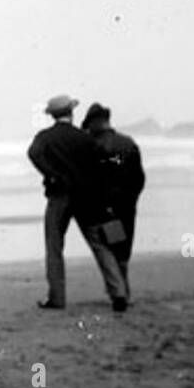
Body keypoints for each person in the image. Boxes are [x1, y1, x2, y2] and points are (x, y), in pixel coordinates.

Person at [27, 94, 127, 312]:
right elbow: (103, 159)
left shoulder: (45, 136)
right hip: (86, 196)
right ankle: (118, 293)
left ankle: (57, 298)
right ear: (71, 113)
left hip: (59, 195)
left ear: (52, 116)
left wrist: (51, 174)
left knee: (54, 245)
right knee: (99, 243)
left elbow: (33, 154)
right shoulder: (83, 137)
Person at [82, 103, 145, 300]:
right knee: (124, 246)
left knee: (113, 246)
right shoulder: (128, 142)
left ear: (94, 123)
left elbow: (91, 179)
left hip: (106, 204)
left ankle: (121, 290)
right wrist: (133, 197)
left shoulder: (93, 146)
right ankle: (123, 288)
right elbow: (139, 177)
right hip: (128, 202)